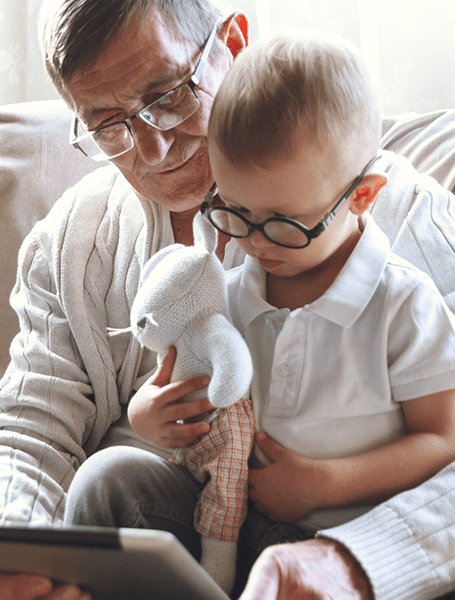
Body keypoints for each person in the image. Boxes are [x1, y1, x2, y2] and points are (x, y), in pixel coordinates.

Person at [0, 2, 455, 600]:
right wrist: (1, 552)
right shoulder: (72, 245)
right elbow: (29, 427)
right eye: (109, 125)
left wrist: (357, 564)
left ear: (233, 42)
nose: (152, 151)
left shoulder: (398, 215)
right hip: (191, 527)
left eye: (170, 95)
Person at [110, 27, 455, 595]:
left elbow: (442, 440)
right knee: (111, 479)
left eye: (281, 223)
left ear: (362, 195)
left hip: (342, 545)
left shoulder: (403, 304)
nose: (255, 242)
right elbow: (194, 394)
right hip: (230, 523)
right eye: (234, 212)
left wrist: (323, 485)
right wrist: (151, 415)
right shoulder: (229, 289)